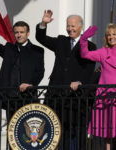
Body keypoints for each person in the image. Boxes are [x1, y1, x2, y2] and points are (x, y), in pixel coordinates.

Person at [36, 10, 96, 150]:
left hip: (76, 98)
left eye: (73, 26)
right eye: (68, 26)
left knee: (77, 133)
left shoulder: (90, 46)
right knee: (58, 133)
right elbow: (41, 38)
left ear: (81, 27)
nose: (70, 29)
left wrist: (80, 82)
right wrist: (44, 23)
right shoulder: (61, 41)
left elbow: (89, 70)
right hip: (57, 95)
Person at [0, 9, 44, 113]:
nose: (19, 35)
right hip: (9, 98)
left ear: (28, 33)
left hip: (27, 96)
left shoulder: (37, 51)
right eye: (16, 32)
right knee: (11, 127)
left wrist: (31, 84)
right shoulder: (9, 48)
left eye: (22, 32)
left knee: (25, 128)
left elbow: (40, 72)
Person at [80, 24, 116, 150]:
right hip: (105, 96)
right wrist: (83, 39)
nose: (111, 37)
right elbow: (85, 54)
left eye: (114, 34)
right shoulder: (102, 52)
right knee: (108, 132)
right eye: (109, 34)